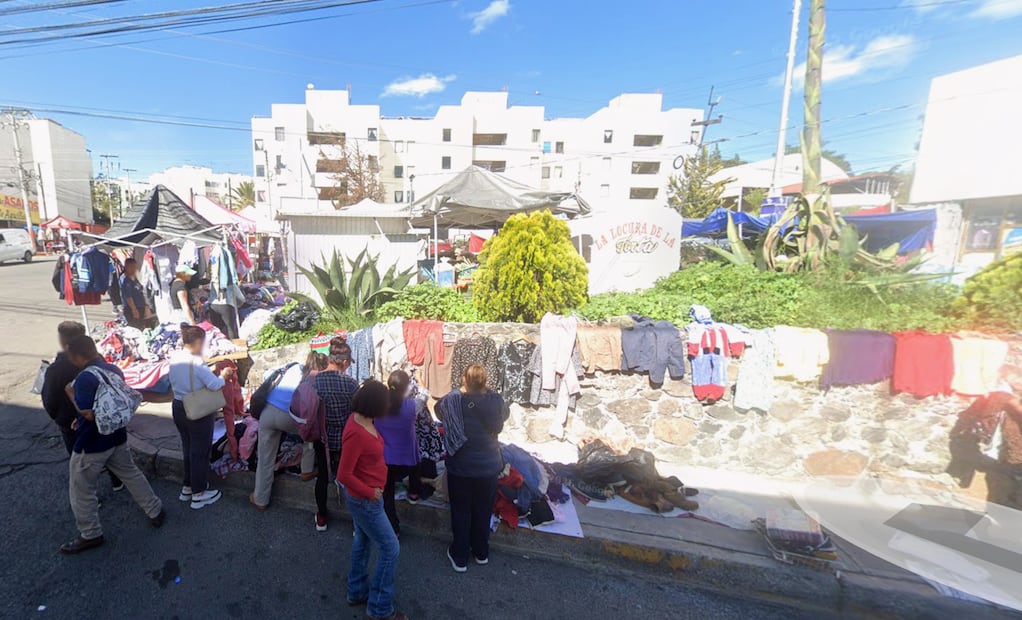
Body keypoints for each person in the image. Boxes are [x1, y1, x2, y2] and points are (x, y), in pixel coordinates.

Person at [60, 335, 164, 554]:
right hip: (117, 435)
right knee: (131, 473)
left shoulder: (84, 379)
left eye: (71, 355)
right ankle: (155, 510)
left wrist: (71, 395)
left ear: (79, 356)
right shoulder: (112, 369)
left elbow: (88, 414)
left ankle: (90, 533)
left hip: (92, 442)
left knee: (81, 488)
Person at [336, 379, 408, 620]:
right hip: (365, 500)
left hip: (366, 498)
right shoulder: (357, 432)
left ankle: (356, 591)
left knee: (363, 543)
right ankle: (379, 607)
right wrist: (370, 492)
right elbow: (343, 474)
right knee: (390, 548)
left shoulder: (363, 419)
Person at [438, 364, 509, 573]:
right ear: (485, 382)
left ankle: (460, 557)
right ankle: (481, 552)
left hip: (461, 467)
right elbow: (503, 416)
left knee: (461, 511)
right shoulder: (495, 401)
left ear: (464, 380)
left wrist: (460, 391)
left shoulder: (453, 401)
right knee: (483, 509)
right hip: (488, 467)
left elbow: (438, 410)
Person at [41, 321, 123, 491]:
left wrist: (59, 418)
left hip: (73, 421)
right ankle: (117, 480)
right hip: (101, 416)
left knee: (79, 461)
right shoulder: (97, 361)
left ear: (63, 340)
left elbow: (49, 398)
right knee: (110, 452)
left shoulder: (57, 369)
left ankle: (87, 495)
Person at [250, 350, 326, 511]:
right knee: (309, 436)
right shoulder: (316, 378)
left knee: (265, 458)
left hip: (268, 412)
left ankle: (260, 499)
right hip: (289, 417)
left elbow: (268, 377)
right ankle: (307, 470)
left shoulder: (293, 366)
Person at [169, 324, 230, 509]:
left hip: (178, 405)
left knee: (188, 448)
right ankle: (199, 493)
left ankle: (188, 487)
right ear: (197, 342)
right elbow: (214, 384)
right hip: (196, 410)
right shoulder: (196, 362)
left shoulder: (175, 357)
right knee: (200, 451)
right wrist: (224, 376)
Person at [313, 337, 358, 531]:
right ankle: (357, 522)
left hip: (322, 438)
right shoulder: (351, 383)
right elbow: (358, 413)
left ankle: (321, 517)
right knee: (351, 478)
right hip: (346, 439)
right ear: (345, 362)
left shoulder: (315, 380)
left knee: (323, 477)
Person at [374, 370, 423, 537]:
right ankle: (414, 493)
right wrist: (421, 382)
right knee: (417, 463)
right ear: (406, 387)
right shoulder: (412, 405)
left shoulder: (378, 405)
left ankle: (394, 528)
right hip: (408, 455)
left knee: (387, 494)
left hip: (386, 456)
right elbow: (425, 395)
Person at [119, 258, 151, 330]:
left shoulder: (134, 277)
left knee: (141, 325)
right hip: (132, 308)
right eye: (131, 267)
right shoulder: (125, 279)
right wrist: (134, 310)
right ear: (126, 267)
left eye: (135, 267)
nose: (134, 269)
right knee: (135, 327)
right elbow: (128, 297)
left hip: (140, 306)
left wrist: (145, 304)